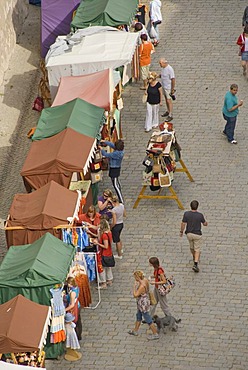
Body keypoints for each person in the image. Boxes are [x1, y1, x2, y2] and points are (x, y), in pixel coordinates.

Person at [128, 270, 159, 340]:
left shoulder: (141, 286)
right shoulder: (145, 280)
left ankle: (155, 334)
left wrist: (134, 287)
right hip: (143, 302)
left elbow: (135, 295)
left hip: (142, 303)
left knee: (148, 318)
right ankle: (135, 331)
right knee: (138, 316)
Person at [180, 200, 208, 273]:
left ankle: (194, 256)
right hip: (197, 234)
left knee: (192, 247)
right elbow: (204, 223)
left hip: (189, 234)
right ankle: (195, 263)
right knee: (197, 249)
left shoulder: (186, 214)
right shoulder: (200, 215)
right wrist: (206, 223)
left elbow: (183, 223)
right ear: (197, 207)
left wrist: (181, 231)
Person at [94, 219, 114, 289]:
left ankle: (103, 283)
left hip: (104, 254)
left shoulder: (104, 235)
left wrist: (97, 243)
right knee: (108, 267)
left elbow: (105, 246)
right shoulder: (109, 232)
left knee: (102, 268)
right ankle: (109, 280)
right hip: (109, 253)